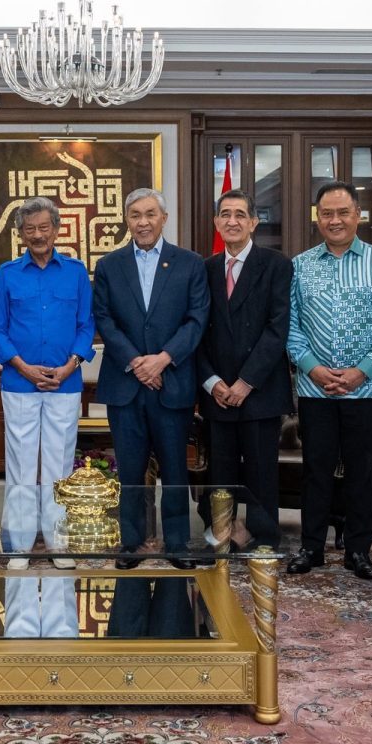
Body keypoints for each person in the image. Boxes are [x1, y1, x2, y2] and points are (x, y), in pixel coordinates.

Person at [286, 181, 372, 577]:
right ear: (317, 218)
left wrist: (361, 371)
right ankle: (311, 547)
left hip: (366, 388)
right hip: (314, 387)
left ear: (358, 215)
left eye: (342, 212)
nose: (334, 220)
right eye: (327, 214)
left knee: (361, 472)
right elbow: (291, 324)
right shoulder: (300, 265)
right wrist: (313, 368)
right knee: (315, 470)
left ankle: (359, 550)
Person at [92, 189, 210, 568]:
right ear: (126, 220)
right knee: (130, 470)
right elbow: (104, 319)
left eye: (150, 214)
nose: (142, 222)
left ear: (164, 218)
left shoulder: (190, 263)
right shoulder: (109, 265)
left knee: (174, 468)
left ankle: (176, 543)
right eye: (135, 215)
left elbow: (197, 319)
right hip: (125, 384)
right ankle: (131, 541)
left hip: (171, 382)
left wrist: (161, 360)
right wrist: (135, 362)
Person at [0, 197, 96, 570]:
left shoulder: (76, 272)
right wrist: (24, 367)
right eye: (30, 229)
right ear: (21, 234)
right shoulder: (7, 274)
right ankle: (19, 545)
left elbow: (86, 325)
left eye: (43, 227)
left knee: (59, 464)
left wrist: (69, 366)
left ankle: (59, 543)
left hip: (65, 383)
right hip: (19, 383)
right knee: (19, 464)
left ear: (56, 229)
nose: (37, 235)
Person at [194, 187, 293, 550]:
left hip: (260, 390)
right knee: (220, 472)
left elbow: (277, 328)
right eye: (225, 214)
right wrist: (212, 382)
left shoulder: (277, 265)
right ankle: (222, 534)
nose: (232, 221)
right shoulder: (204, 269)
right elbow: (196, 331)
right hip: (218, 393)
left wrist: (246, 382)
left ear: (253, 222)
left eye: (240, 214)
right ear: (216, 222)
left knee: (261, 471)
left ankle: (263, 539)